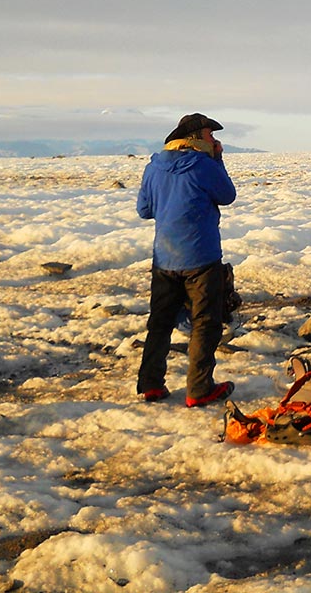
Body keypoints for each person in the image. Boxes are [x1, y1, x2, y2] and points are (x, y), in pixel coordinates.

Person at [135, 113, 238, 406]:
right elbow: (227, 195)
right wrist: (218, 160)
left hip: (165, 258)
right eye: (210, 135)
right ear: (194, 138)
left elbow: (144, 210)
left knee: (160, 321)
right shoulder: (203, 165)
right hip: (201, 258)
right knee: (206, 322)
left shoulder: (154, 168)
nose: (214, 140)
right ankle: (199, 388)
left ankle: (151, 384)